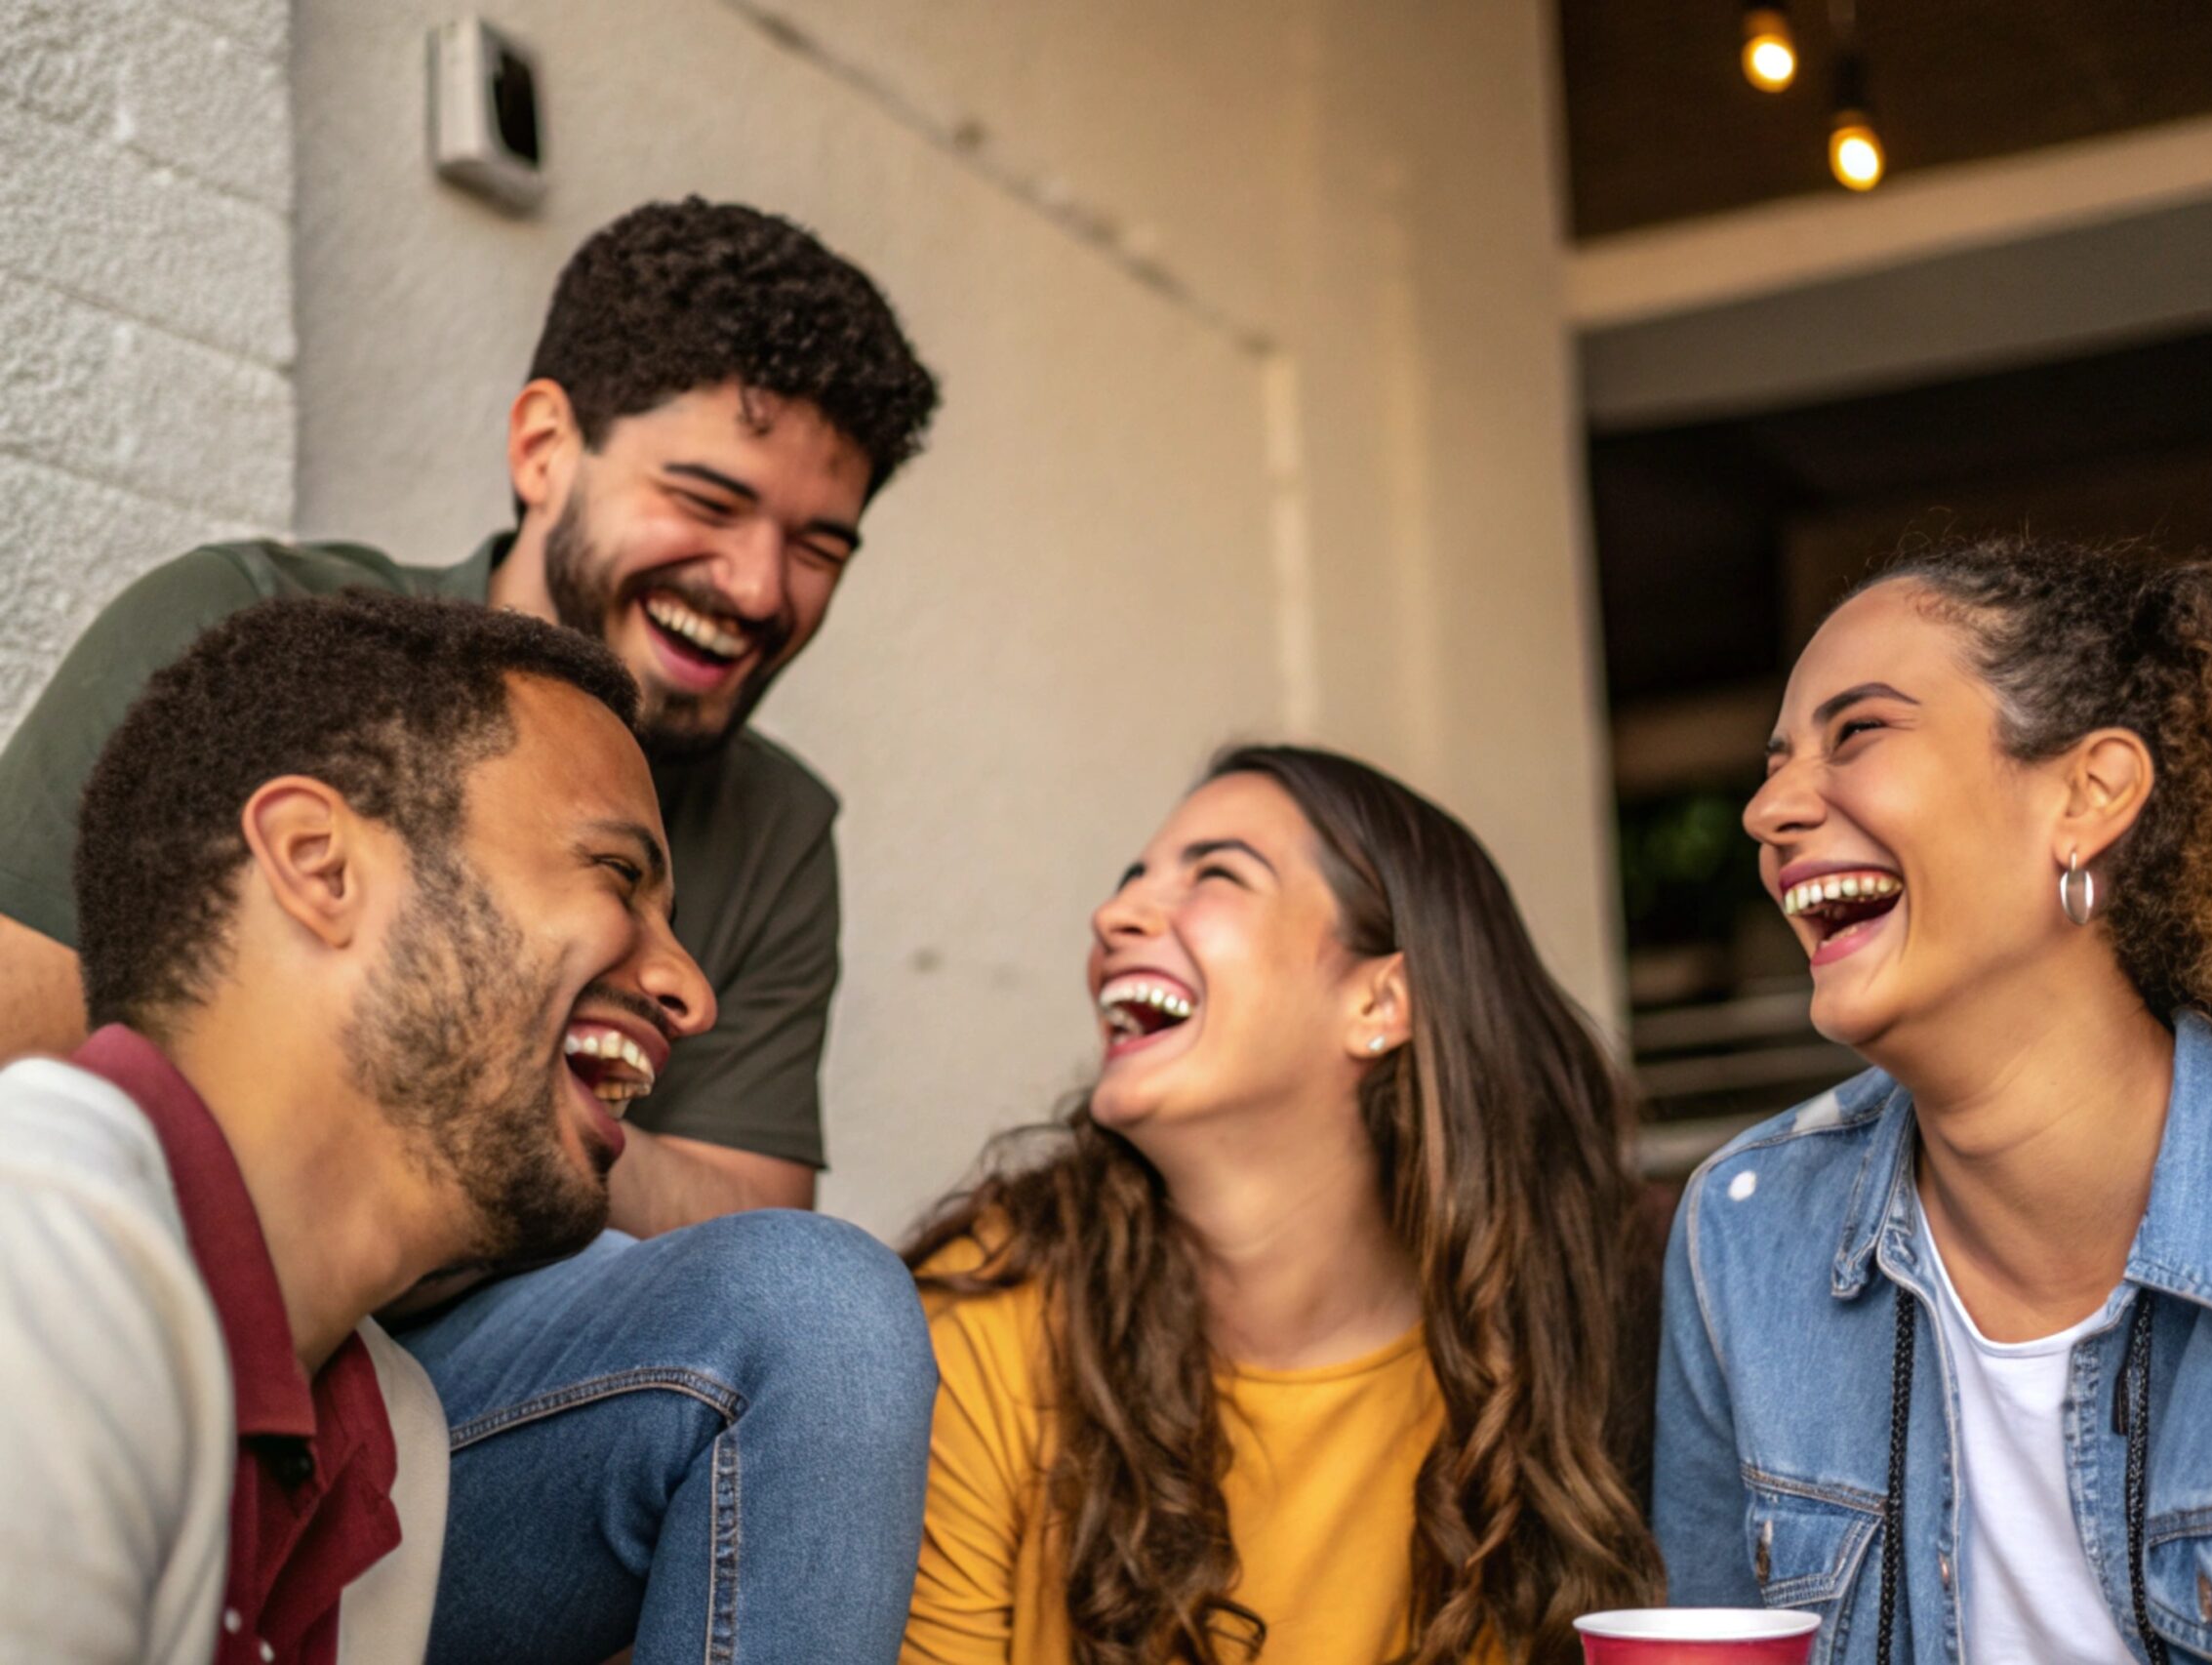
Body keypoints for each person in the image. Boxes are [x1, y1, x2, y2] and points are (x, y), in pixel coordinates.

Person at [0, 200, 942, 1662]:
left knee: (820, 1308)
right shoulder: (256, 638)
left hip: (445, 1402)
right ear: (544, 447)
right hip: (165, 1304)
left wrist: (455, 1063)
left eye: (819, 544)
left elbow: (752, 1221)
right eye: (707, 498)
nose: (758, 588)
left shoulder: (778, 824)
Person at [1653, 539, 2212, 1663]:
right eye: (1772, 763)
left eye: (1856, 732)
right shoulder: (1746, 1229)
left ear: (2088, 791)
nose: (1768, 809)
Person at [0, 591, 714, 1661]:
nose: (690, 991)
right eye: (616, 872)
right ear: (318, 861)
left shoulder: (395, 1435)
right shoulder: (35, 1250)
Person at [902, 745, 1665, 1665]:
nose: (1114, 914)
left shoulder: (1578, 1342)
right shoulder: (988, 1311)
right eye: (1130, 880)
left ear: (1379, 1001)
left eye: (1215, 874)